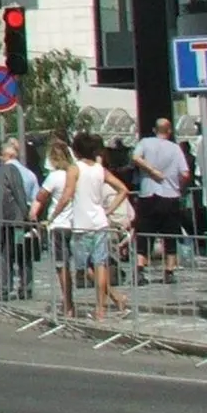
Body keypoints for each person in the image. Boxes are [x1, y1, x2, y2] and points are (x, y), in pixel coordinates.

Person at [53, 131, 132, 321]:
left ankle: (111, 300)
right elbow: (123, 189)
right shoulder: (100, 169)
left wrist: (54, 213)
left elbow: (67, 194)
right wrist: (108, 210)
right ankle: (102, 308)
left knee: (84, 268)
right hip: (100, 222)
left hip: (82, 224)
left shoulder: (75, 169)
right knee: (100, 265)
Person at [130, 118, 189, 283]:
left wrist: (150, 170)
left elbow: (135, 157)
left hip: (148, 195)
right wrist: (181, 188)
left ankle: (140, 270)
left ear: (154, 130)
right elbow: (185, 173)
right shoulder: (175, 149)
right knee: (170, 234)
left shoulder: (145, 142)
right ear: (169, 131)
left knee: (144, 233)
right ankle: (169, 271)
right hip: (170, 196)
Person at [32, 136, 77, 314]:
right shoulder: (75, 174)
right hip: (76, 223)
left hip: (58, 225)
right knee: (84, 267)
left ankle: (68, 304)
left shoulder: (54, 176)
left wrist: (37, 211)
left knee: (62, 266)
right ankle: (111, 297)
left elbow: (41, 196)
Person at [0, 138, 34, 301]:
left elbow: (4, 198)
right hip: (20, 219)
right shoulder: (28, 172)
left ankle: (4, 288)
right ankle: (26, 287)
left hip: (10, 220)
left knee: (5, 254)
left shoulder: (6, 171)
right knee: (23, 254)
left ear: (3, 156)